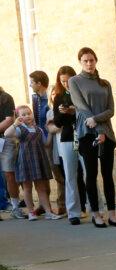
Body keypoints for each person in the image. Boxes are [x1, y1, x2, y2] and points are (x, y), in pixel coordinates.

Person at [69, 47, 116, 228]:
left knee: (108, 175)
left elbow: (111, 110)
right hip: (86, 133)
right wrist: (97, 128)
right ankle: (96, 213)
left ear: (96, 61)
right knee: (91, 174)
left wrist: (97, 122)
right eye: (85, 61)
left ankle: (112, 213)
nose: (89, 63)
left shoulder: (105, 83)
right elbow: (81, 107)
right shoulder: (74, 81)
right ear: (80, 62)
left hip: (106, 133)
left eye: (92, 60)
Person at [3, 105, 60, 220]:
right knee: (27, 187)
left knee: (41, 187)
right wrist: (15, 124)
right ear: (19, 117)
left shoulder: (38, 129)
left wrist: (49, 132)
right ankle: (31, 212)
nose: (27, 116)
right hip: (25, 161)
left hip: (38, 161)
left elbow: (47, 144)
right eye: (23, 115)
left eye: (29, 113)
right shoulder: (19, 129)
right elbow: (6, 134)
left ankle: (48, 212)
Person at [50, 66, 86, 224]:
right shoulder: (59, 96)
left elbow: (87, 113)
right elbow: (57, 123)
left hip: (84, 136)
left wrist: (75, 112)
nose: (65, 84)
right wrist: (61, 112)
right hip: (67, 137)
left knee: (88, 173)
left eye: (68, 80)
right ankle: (73, 213)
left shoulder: (82, 92)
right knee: (70, 175)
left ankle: (96, 208)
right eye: (62, 81)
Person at [29, 71, 53, 216]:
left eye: (32, 82)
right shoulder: (35, 98)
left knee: (56, 172)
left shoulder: (50, 96)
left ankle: (63, 204)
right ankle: (44, 205)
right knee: (44, 173)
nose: (30, 85)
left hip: (52, 137)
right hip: (40, 140)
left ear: (39, 83)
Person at [0, 86, 17, 216]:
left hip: (5, 140)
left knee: (9, 174)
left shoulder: (5, 98)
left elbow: (9, 120)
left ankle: (14, 207)